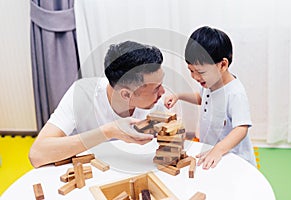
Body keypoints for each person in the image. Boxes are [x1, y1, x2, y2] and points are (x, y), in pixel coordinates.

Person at [29, 41, 166, 168]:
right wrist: (108, 131)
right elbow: (37, 155)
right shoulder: (82, 94)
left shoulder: (156, 101)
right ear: (126, 94)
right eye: (156, 88)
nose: (162, 92)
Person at [164, 26, 256, 169]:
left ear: (223, 65)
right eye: (191, 70)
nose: (195, 77)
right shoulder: (210, 83)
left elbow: (241, 128)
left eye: (200, 72)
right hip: (211, 151)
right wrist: (179, 96)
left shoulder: (235, 93)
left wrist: (218, 149)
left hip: (233, 157)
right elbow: (202, 98)